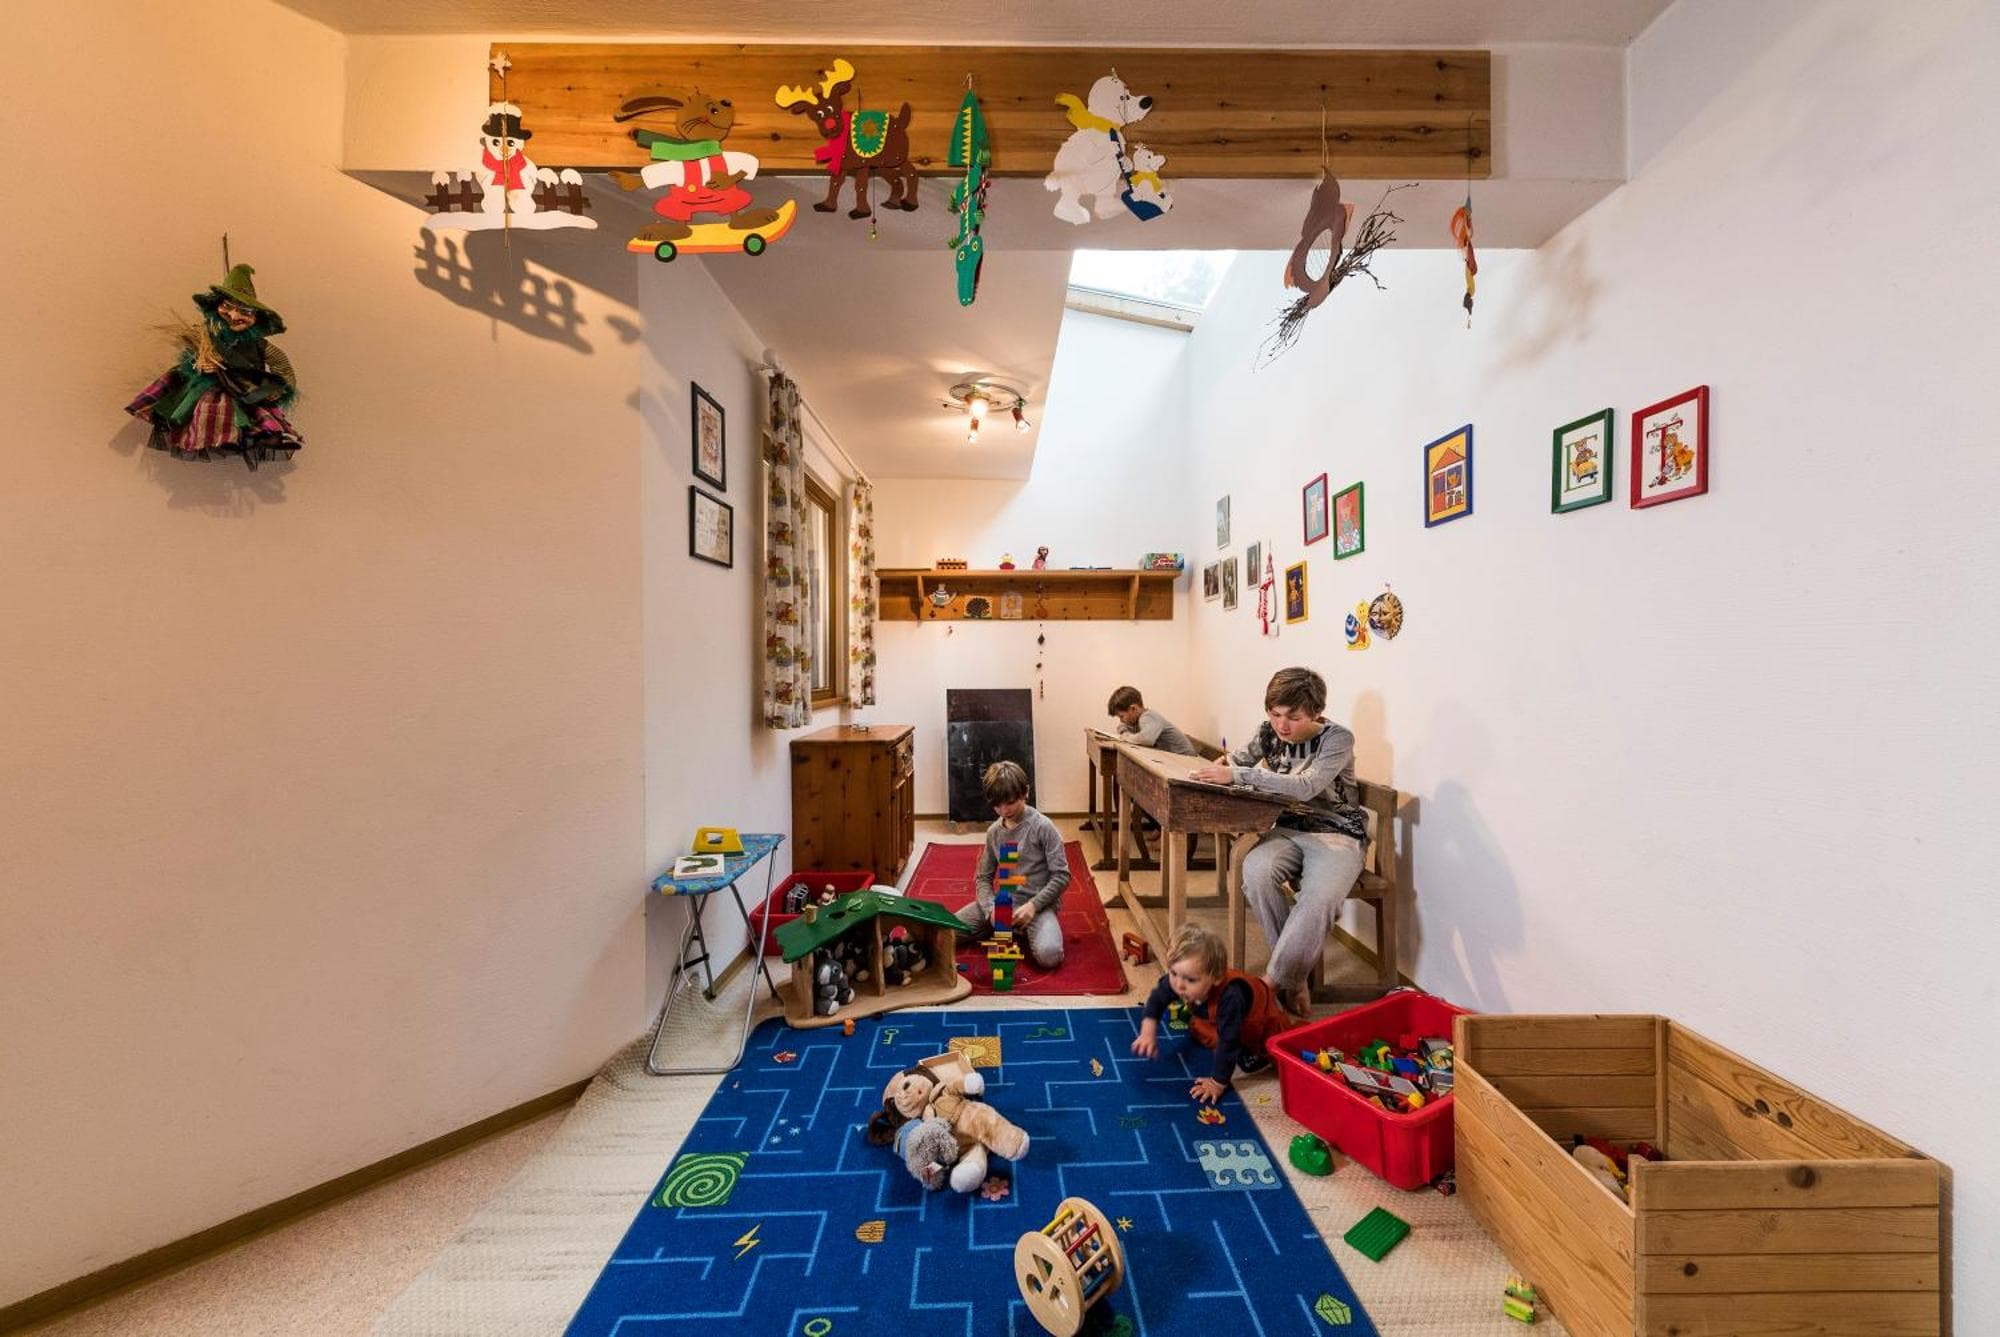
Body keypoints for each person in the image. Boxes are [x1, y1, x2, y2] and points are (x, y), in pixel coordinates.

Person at [1189, 666, 1368, 1018]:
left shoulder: (1338, 739)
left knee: (1320, 898)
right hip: (1288, 829)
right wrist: (1216, 768)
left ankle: (1269, 985)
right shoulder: (1267, 732)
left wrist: (1237, 774)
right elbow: (1235, 760)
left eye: (1293, 718)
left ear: (1316, 713)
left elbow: (1306, 786)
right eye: (1275, 714)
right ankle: (1295, 979)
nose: (1282, 726)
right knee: (1256, 871)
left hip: (1338, 834)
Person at [126, 263, 303, 471]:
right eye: (227, 307)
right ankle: (215, 437)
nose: (234, 316)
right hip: (210, 387)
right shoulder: (204, 336)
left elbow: (281, 363)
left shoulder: (261, 346)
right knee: (210, 410)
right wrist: (198, 363)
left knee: (254, 414)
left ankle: (265, 436)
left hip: (245, 389)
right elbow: (189, 357)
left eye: (245, 311)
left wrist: (283, 389)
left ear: (256, 317)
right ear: (217, 306)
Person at [1130, 923, 1293, 1104]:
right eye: (1173, 973)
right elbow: (1157, 998)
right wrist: (1147, 1031)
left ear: (1216, 978)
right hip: (1218, 1015)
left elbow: (1228, 1042)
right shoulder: (1179, 980)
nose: (1179, 985)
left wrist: (1218, 1082)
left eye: (1191, 980)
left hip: (1261, 1020)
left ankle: (1255, 1053)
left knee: (1277, 1053)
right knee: (1202, 1029)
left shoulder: (1231, 997)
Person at [956, 760, 1067, 970]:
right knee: (946, 931)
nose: (1004, 810)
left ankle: (1018, 929)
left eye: (1010, 803)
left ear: (1025, 792)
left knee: (1050, 955)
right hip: (1003, 904)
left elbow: (1062, 876)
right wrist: (990, 909)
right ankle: (1003, 928)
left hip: (1037, 906)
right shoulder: (994, 832)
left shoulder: (1043, 827)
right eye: (997, 805)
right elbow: (983, 878)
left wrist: (1033, 906)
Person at [1105, 686, 1201, 757]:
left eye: (1121, 716)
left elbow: (1146, 739)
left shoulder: (1148, 717)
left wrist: (1126, 736)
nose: (1121, 720)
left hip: (1187, 760)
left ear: (1134, 709)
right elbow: (1122, 726)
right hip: (1174, 759)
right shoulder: (1137, 720)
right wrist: (1124, 731)